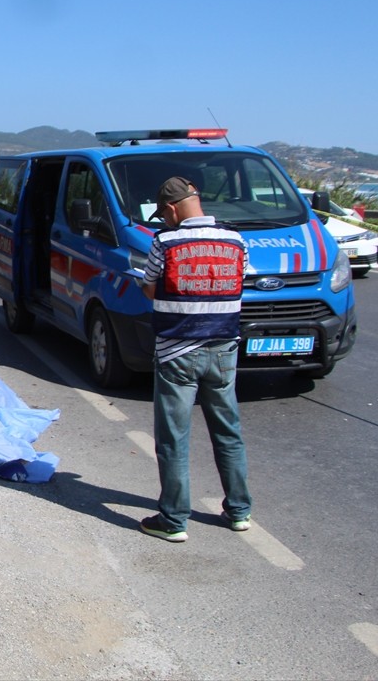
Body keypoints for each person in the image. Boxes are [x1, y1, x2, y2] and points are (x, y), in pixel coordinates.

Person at [139, 176, 252, 543]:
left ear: (172, 209)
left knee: (173, 438)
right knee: (228, 431)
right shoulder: (235, 240)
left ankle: (173, 519)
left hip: (177, 352)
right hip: (223, 348)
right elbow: (239, 282)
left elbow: (150, 287)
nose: (165, 221)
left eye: (164, 214)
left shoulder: (166, 241)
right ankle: (238, 511)